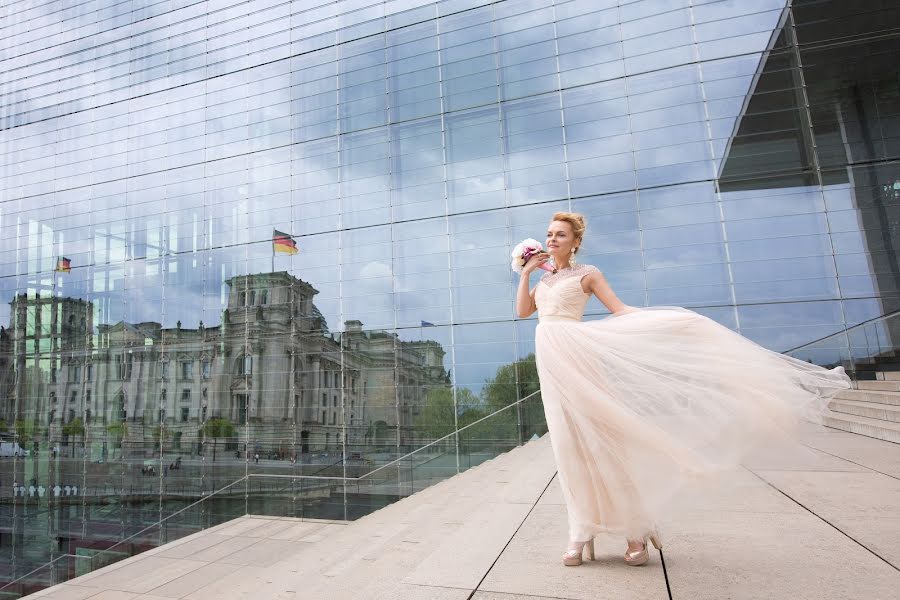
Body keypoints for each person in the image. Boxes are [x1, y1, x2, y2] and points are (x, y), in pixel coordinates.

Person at [516, 211, 851, 567]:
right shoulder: (544, 282)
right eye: (549, 234)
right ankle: (581, 528)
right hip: (552, 369)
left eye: (560, 235)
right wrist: (525, 274)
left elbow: (620, 311)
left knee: (606, 446)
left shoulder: (588, 274)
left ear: (575, 242)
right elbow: (524, 311)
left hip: (581, 363)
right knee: (570, 450)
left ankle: (635, 529)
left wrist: (674, 324)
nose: (552, 240)